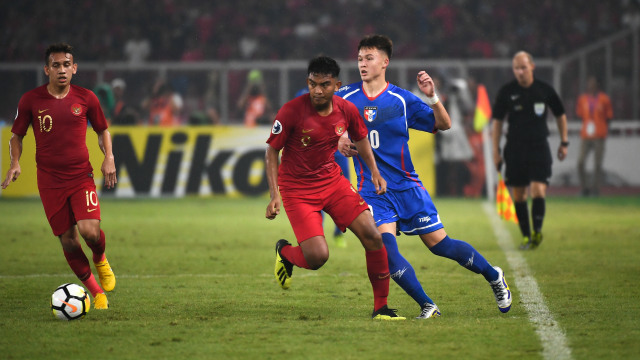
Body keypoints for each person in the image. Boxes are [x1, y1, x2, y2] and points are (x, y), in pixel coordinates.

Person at [336, 34, 512, 318]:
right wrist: (338, 139)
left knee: (441, 246)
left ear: (385, 62)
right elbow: (326, 123)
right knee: (385, 252)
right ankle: (427, 305)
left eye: (369, 58)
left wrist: (431, 96)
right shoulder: (344, 97)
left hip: (407, 188)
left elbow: (444, 124)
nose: (363, 64)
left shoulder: (402, 100)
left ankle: (494, 275)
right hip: (372, 190)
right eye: (359, 59)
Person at [265, 55, 404, 320]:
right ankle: (285, 252)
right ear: (308, 82)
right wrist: (275, 195)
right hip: (297, 190)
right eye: (313, 84)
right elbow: (272, 151)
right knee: (317, 257)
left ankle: (381, 308)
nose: (318, 90)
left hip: (331, 181)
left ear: (336, 85)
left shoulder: (346, 109)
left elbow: (361, 138)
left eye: (324, 84)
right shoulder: (292, 111)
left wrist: (375, 172)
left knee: (373, 237)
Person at [1, 43, 117, 309]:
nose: (62, 70)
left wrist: (108, 158)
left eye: (67, 64)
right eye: (56, 65)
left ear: (74, 69)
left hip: (80, 176)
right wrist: (15, 162)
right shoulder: (30, 100)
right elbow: (16, 136)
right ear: (47, 69)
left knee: (90, 231)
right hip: (50, 181)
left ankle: (100, 258)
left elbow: (102, 131)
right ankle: (97, 293)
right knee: (69, 239)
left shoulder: (87, 98)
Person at [491, 51, 569, 250]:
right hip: (515, 148)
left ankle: (537, 231)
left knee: (538, 189)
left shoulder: (544, 90)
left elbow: (560, 115)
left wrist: (564, 141)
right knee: (519, 195)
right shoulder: (507, 91)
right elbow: (497, 122)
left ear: (532, 66)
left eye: (523, 67)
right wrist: (495, 150)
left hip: (539, 146)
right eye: (516, 68)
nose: (520, 72)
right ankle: (526, 236)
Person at [576, 75, 613, 197]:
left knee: (597, 164)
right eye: (589, 82)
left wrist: (603, 130)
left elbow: (609, 117)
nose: (590, 85)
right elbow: (580, 115)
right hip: (586, 135)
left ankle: (596, 189)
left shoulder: (604, 99)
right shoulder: (582, 99)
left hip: (599, 135)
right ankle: (585, 188)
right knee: (580, 162)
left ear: (597, 84)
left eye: (592, 82)